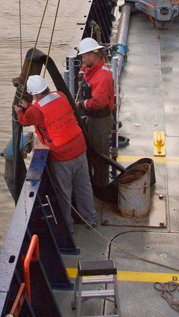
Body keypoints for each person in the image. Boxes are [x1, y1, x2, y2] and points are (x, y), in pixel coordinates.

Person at [16, 75, 98, 232]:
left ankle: (67, 226)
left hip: (62, 156)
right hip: (80, 147)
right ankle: (90, 218)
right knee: (84, 186)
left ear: (33, 94)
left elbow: (24, 120)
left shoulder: (35, 111)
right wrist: (29, 106)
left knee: (64, 192)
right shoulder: (60, 95)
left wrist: (19, 110)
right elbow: (49, 108)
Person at [77, 37, 114, 186]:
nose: (82, 60)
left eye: (84, 57)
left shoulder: (101, 77)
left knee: (100, 155)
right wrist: (81, 76)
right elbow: (84, 68)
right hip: (92, 118)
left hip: (100, 122)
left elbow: (99, 102)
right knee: (91, 150)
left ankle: (101, 185)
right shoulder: (93, 66)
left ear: (92, 56)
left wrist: (81, 104)